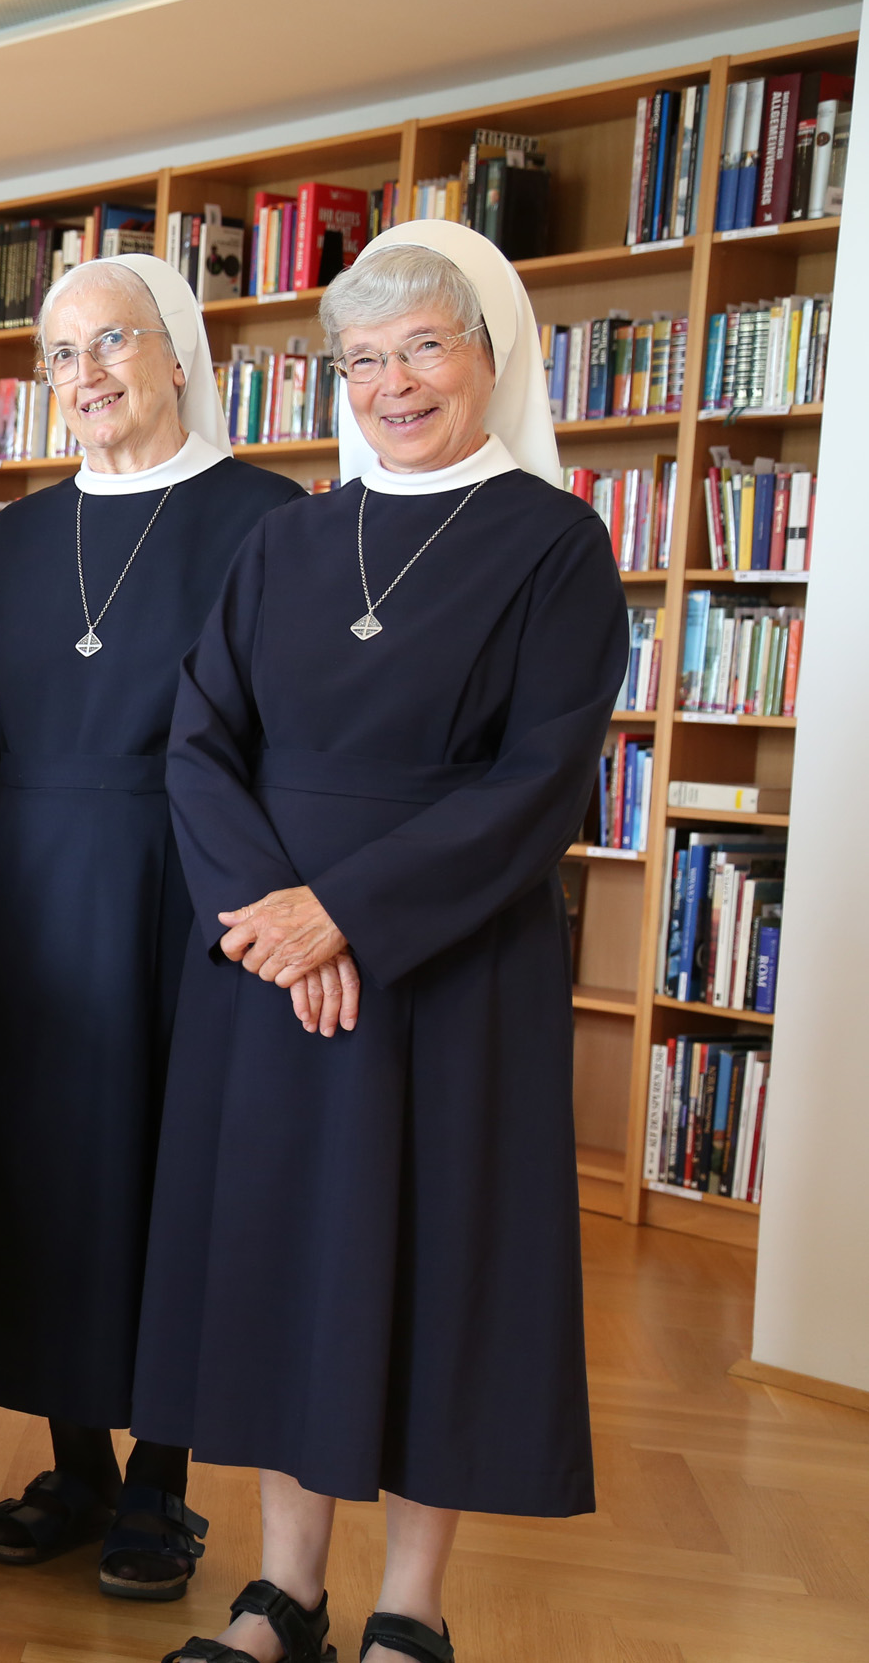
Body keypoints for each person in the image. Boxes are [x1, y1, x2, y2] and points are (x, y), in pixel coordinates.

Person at [132, 220, 625, 1663]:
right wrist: (277, 917)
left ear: (488, 355)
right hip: (270, 960)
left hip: (451, 964)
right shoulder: (288, 536)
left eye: (423, 348)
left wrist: (349, 911)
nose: (394, 383)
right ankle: (284, 1585)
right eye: (364, 358)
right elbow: (198, 741)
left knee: (430, 1264)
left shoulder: (554, 540)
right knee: (292, 1257)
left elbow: (541, 777)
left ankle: (410, 1603)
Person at [0, 254, 301, 1602]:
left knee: (172, 1170)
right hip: (37, 892)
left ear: (178, 354)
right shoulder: (28, 537)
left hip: (187, 888)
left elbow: (283, 740)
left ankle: (162, 1480)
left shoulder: (266, 519)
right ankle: (77, 1462)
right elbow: (25, 738)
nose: (86, 373)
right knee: (38, 1169)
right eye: (58, 353)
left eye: (112, 341)